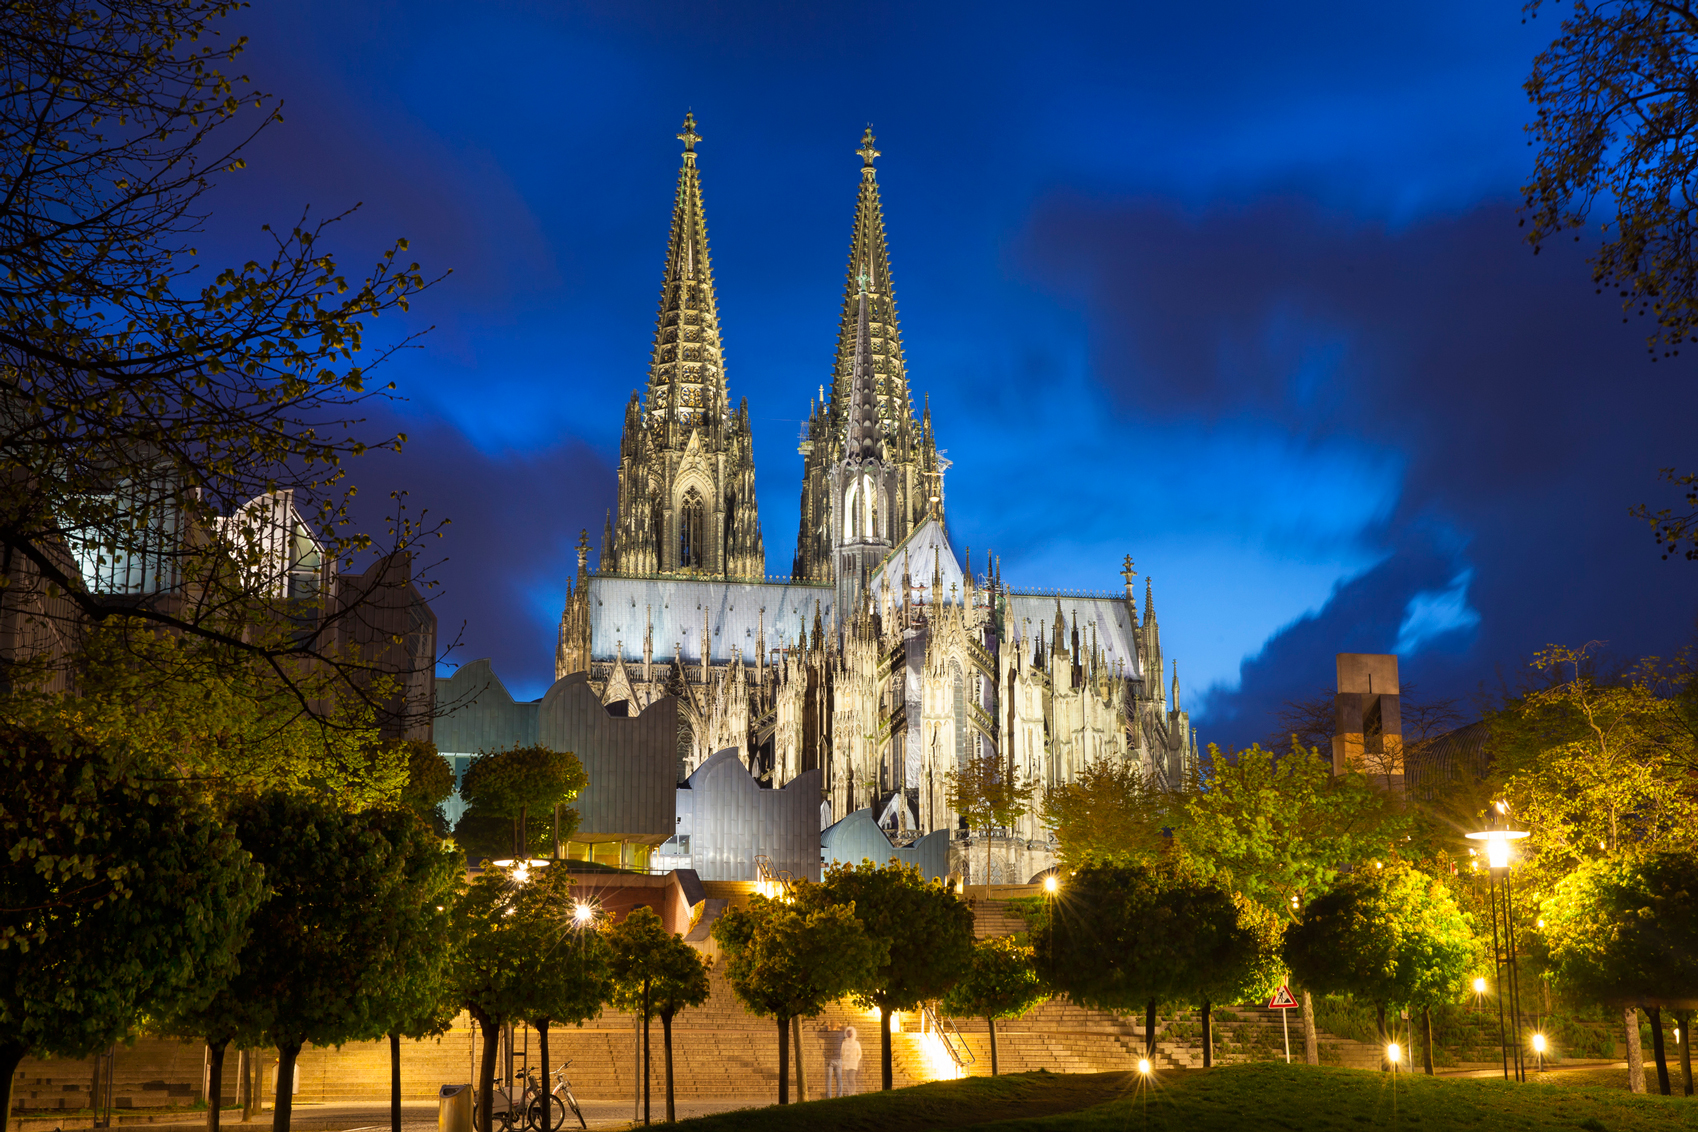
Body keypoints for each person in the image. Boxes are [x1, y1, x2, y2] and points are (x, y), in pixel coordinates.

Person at [819, 1023, 845, 1097]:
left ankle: (829, 1096)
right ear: (836, 1027)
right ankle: (839, 1096)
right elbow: (849, 1032)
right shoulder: (840, 1034)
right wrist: (841, 1026)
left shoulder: (827, 1034)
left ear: (830, 1027)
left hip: (829, 1059)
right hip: (838, 1059)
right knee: (839, 1079)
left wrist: (826, 1027)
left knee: (828, 1080)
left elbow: (819, 1034)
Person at [840, 1025, 862, 1095]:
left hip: (853, 1064)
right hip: (846, 1063)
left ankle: (853, 1092)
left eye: (850, 1033)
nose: (849, 1034)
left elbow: (859, 1053)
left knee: (851, 1078)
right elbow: (842, 1053)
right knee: (848, 1079)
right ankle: (850, 1092)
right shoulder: (844, 1043)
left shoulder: (856, 1043)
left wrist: (856, 1060)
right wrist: (843, 1062)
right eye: (848, 1033)